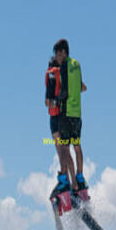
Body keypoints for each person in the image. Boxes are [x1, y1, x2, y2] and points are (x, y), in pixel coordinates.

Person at [52, 38, 87, 193]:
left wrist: (56, 100)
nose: (57, 59)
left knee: (65, 149)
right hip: (77, 114)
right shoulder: (77, 64)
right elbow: (82, 87)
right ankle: (80, 179)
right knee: (77, 146)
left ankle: (67, 184)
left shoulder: (65, 65)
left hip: (66, 114)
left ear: (63, 52)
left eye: (58, 55)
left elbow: (64, 91)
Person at [45, 56, 75, 195]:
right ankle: (71, 184)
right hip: (59, 118)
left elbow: (47, 102)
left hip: (56, 119)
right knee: (65, 153)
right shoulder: (59, 77)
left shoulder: (52, 76)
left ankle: (71, 184)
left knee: (62, 152)